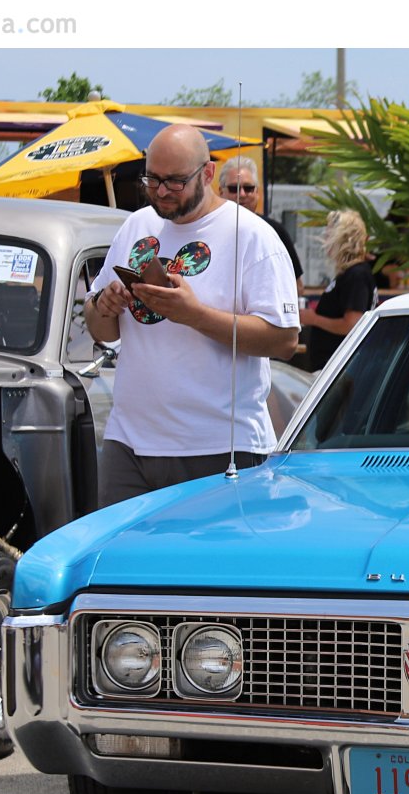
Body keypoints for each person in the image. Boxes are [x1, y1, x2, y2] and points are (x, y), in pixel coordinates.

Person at [85, 125, 301, 507]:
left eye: (175, 181)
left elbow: (284, 340)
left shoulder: (252, 236)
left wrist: (194, 315)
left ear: (207, 173)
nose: (161, 191)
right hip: (129, 442)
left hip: (219, 447)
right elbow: (100, 327)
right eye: (152, 179)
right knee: (122, 547)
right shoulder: (136, 225)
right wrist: (105, 304)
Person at [301, 209, 376, 371]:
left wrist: (314, 319)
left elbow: (351, 324)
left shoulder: (356, 275)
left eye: (330, 234)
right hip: (333, 366)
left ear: (343, 238)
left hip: (339, 367)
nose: (325, 238)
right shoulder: (351, 273)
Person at [218, 156, 304, 296]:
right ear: (221, 192)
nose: (242, 194)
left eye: (249, 188)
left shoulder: (274, 231)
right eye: (234, 188)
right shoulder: (208, 230)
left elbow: (297, 286)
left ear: (257, 192)